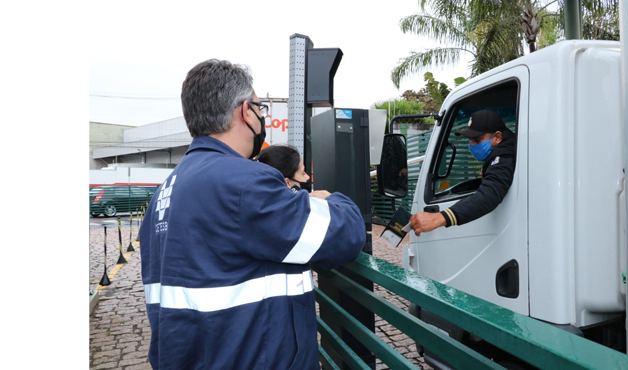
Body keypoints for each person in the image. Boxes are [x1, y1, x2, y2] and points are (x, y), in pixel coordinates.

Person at [139, 59, 366, 370]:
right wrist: (330, 200)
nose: (262, 118)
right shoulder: (244, 182)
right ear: (245, 111)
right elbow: (345, 235)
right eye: (261, 109)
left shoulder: (167, 189)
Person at [409, 109, 516, 236]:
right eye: (470, 140)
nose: (471, 145)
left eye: (477, 140)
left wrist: (439, 218)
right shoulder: (507, 149)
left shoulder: (505, 155)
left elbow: (490, 194)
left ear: (498, 137)